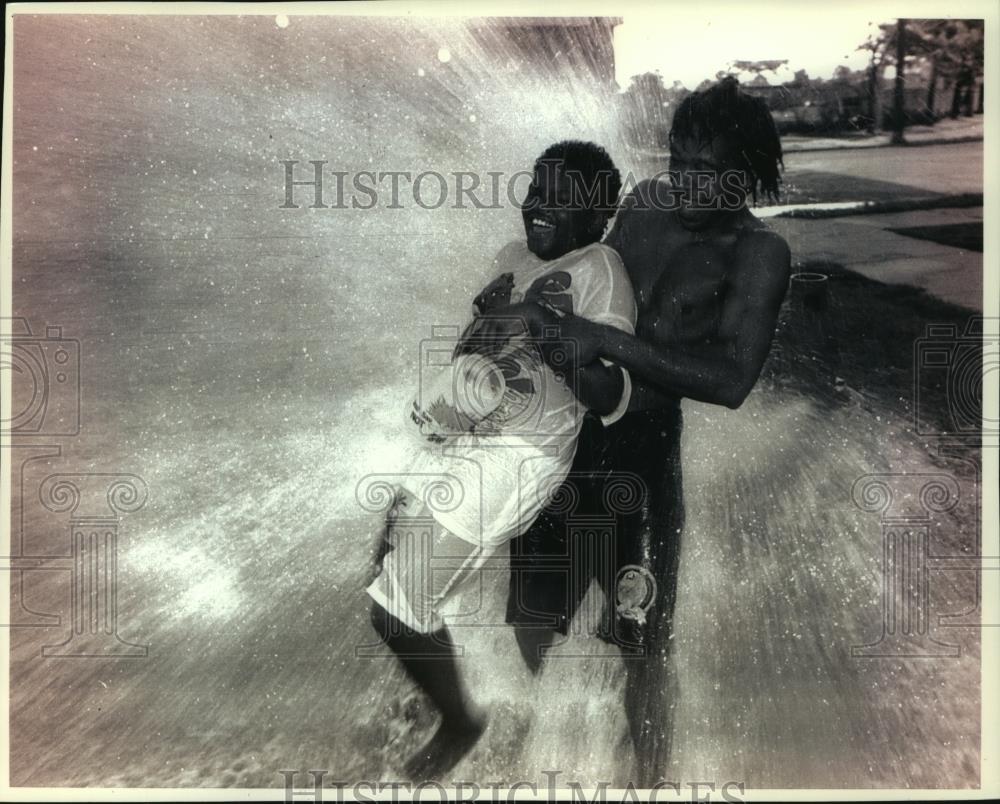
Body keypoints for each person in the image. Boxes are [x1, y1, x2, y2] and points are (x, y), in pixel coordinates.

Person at [506, 76, 792, 782]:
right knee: (530, 617)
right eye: (680, 163)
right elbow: (578, 277)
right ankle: (534, 751)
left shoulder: (760, 253)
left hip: (644, 462)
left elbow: (730, 382)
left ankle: (650, 782)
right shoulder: (644, 205)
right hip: (570, 442)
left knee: (643, 646)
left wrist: (606, 340)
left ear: (747, 173)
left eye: (710, 171)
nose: (689, 185)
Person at [366, 140, 637, 779]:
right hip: (468, 435)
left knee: (395, 603)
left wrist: (536, 322)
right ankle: (436, 687)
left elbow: (608, 396)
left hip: (518, 458)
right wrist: (485, 325)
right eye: (535, 189)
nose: (538, 205)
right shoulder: (509, 258)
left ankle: (460, 720)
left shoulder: (602, 268)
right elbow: (477, 345)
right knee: (383, 564)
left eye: (561, 197)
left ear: (598, 215)